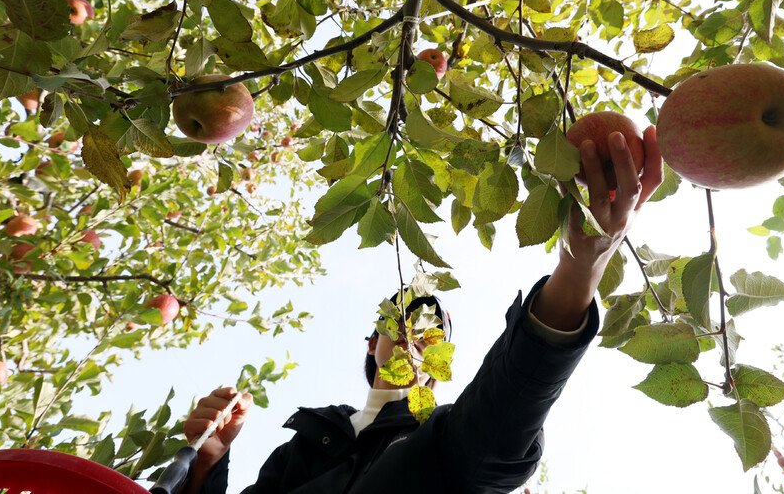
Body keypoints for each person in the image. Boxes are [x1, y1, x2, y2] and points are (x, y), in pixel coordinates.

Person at [181, 128, 664, 494]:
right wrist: (207, 462)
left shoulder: (442, 438)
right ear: (374, 343)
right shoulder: (308, 442)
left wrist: (579, 269)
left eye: (431, 334)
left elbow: (502, 417)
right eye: (402, 321)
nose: (414, 336)